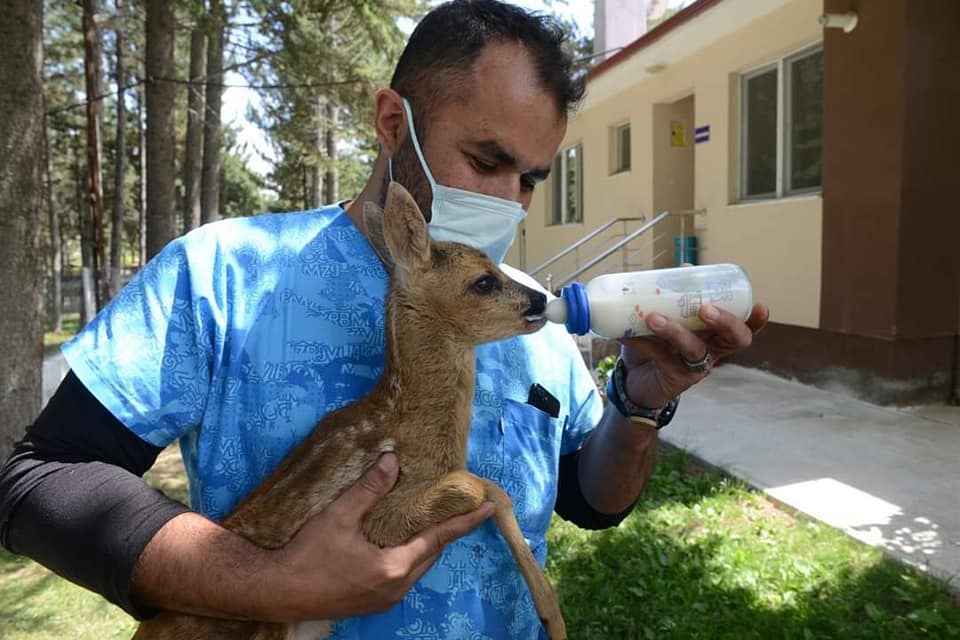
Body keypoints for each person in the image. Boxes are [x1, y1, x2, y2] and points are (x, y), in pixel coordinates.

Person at [0, 1, 768, 637]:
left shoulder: (523, 309)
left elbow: (588, 500)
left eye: (532, 178)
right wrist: (269, 582)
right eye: (485, 160)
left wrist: (640, 401)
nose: (509, 202)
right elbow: (41, 481)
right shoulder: (220, 275)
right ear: (393, 123)